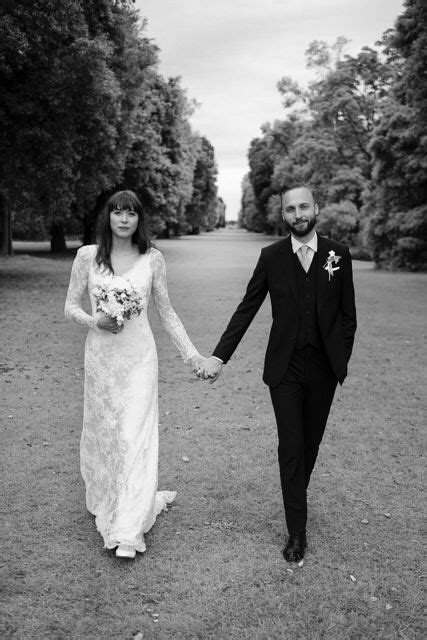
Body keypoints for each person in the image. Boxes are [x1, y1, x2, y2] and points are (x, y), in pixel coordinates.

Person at [197, 185, 357, 562]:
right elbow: (247, 308)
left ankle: (295, 498)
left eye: (304, 207)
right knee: (290, 446)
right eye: (290, 209)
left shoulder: (339, 254)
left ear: (316, 208)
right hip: (284, 369)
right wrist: (220, 356)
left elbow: (348, 316)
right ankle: (297, 533)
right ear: (283, 215)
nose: (298, 214)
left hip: (323, 371)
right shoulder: (271, 257)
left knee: (309, 446)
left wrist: (340, 359)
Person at [64, 190, 202, 559]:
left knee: (134, 436)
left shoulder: (152, 259)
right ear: (107, 217)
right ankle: (115, 499)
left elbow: (167, 313)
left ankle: (127, 531)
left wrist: (192, 356)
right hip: (102, 361)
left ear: (140, 219)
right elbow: (70, 306)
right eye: (117, 212)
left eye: (131, 213)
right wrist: (95, 320)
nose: (124, 219)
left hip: (140, 360)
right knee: (108, 433)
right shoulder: (87, 257)